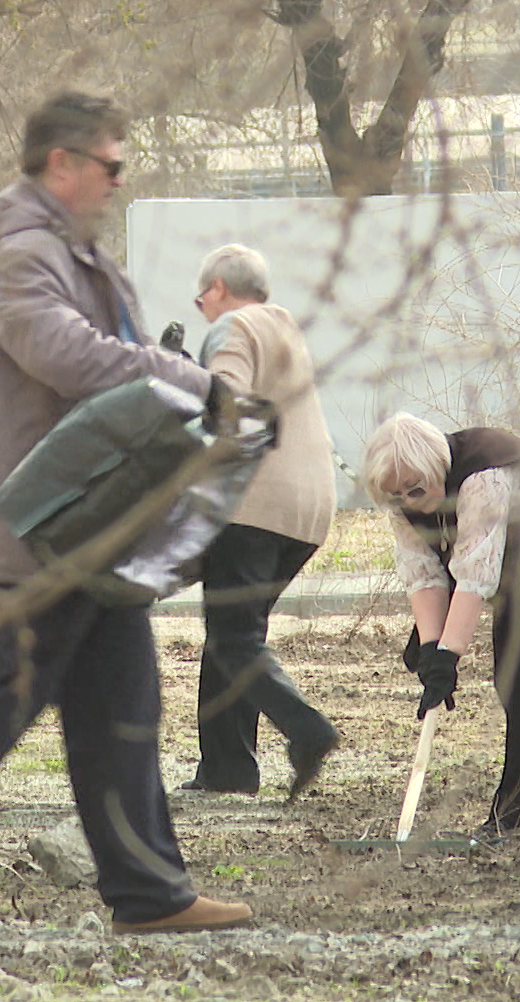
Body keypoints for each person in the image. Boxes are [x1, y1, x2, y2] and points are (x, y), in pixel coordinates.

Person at [0, 90, 253, 936]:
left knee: (121, 699)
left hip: (85, 518)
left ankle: (149, 891)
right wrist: (195, 383)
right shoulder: (15, 252)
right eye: (110, 164)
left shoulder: (63, 249)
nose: (119, 180)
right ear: (62, 163)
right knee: (11, 691)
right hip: (43, 523)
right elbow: (68, 356)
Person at [361, 414, 520, 839]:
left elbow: (473, 574)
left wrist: (450, 655)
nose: (408, 501)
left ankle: (516, 815)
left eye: (416, 489)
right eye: (396, 495)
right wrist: (431, 652)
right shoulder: (403, 503)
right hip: (517, 557)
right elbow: (425, 575)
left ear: (436, 469)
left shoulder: (482, 478)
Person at [180, 244, 340, 799]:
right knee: (233, 636)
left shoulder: (233, 327)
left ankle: (307, 730)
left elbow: (227, 401)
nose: (203, 309)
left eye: (201, 299)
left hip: (254, 505)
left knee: (234, 637)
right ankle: (227, 772)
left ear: (219, 287)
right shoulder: (286, 330)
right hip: (309, 511)